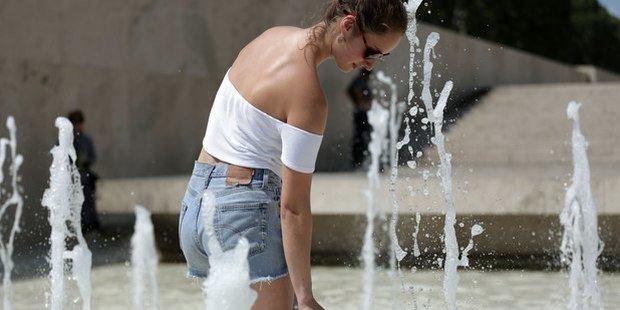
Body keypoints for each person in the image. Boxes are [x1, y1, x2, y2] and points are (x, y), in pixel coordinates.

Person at [178, 0, 407, 309]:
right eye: (372, 52)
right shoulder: (308, 96)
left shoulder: (270, 37)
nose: (370, 65)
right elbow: (293, 208)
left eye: (381, 57)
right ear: (348, 25)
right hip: (241, 216)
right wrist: (305, 296)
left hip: (196, 208)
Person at [67, 110, 101, 232]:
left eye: (79, 123)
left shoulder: (86, 140)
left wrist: (86, 161)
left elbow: (92, 157)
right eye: (75, 124)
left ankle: (90, 220)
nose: (78, 127)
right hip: (71, 175)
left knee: (87, 184)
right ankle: (85, 220)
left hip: (85, 173)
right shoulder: (65, 140)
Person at [347, 68, 372, 170]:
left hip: (363, 111)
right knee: (360, 135)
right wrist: (360, 102)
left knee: (363, 135)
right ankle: (357, 161)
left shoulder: (363, 81)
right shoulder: (360, 81)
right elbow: (350, 90)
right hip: (361, 112)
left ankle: (361, 160)